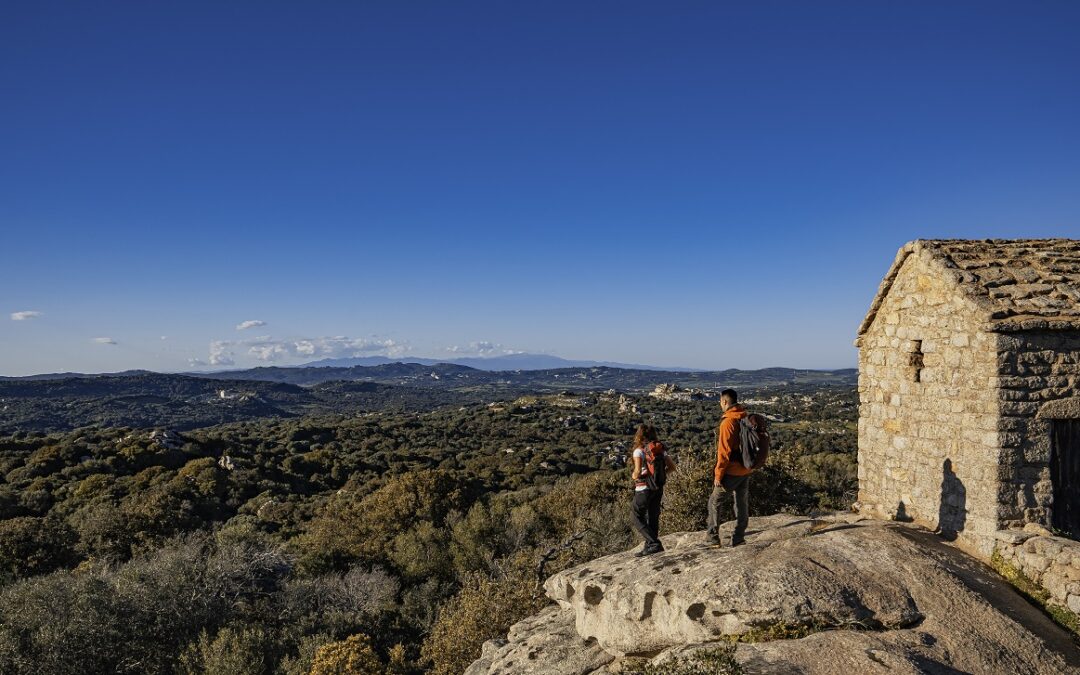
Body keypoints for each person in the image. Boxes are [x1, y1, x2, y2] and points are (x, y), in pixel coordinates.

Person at [707, 389, 753, 546]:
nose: (720, 404)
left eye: (720, 401)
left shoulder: (727, 422)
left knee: (714, 502)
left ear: (725, 401)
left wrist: (718, 475)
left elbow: (724, 453)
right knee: (741, 503)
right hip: (745, 468)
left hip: (732, 470)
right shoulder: (744, 416)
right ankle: (739, 537)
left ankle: (712, 538)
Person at [630, 423, 677, 557]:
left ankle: (654, 543)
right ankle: (650, 546)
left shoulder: (639, 451)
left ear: (639, 435)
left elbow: (637, 473)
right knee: (653, 516)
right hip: (658, 486)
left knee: (635, 516)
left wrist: (634, 476)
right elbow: (672, 467)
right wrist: (658, 476)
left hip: (644, 488)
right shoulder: (659, 449)